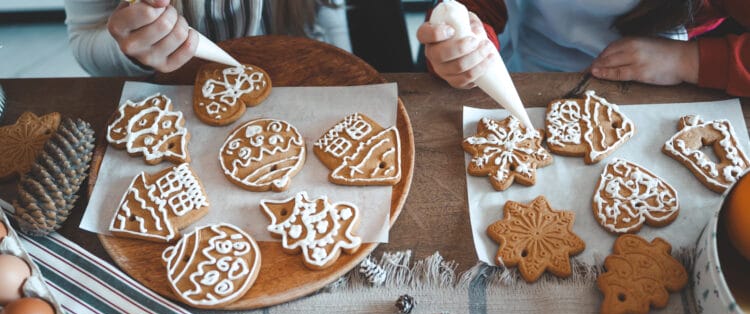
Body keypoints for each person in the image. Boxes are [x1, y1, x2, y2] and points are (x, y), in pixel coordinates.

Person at [417, 0, 750, 97]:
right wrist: (463, 44)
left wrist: (692, 61)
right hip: (523, 65)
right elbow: (472, 9)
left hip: (663, 86)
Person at [63, 0, 351, 76]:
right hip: (164, 91)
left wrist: (341, 70)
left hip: (289, 75)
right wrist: (130, 49)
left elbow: (330, 17)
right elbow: (84, 39)